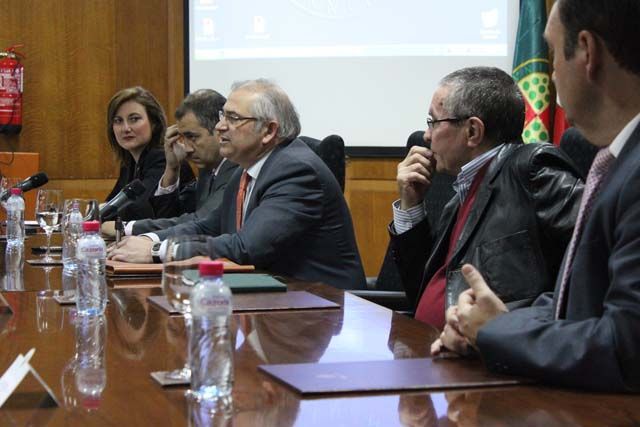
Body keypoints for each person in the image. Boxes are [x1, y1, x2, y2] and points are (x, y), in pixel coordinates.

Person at [433, 0, 640, 392]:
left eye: (551, 53)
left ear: (587, 52)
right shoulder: (618, 160)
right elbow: (574, 302)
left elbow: (627, 347)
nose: (550, 75)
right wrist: (488, 326)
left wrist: (497, 331)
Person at [108, 79, 366, 290]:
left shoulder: (296, 171)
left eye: (232, 118)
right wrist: (144, 238)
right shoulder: (246, 170)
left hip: (322, 307)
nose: (220, 126)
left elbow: (247, 247)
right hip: (273, 297)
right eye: (223, 116)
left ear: (268, 131)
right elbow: (205, 226)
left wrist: (156, 250)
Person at [389, 66, 584, 330]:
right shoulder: (460, 195)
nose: (426, 135)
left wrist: (508, 328)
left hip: (490, 360)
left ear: (472, 132)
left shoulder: (532, 170)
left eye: (432, 121)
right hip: (433, 348)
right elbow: (421, 289)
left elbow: (595, 261)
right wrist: (411, 206)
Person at [103, 89, 238, 235]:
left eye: (192, 137)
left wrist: (126, 228)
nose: (186, 148)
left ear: (220, 130)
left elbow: (200, 221)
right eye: (118, 121)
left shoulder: (236, 169)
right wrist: (172, 169)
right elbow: (172, 216)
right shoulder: (207, 171)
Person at [105, 86, 194, 221]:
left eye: (134, 119)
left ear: (154, 123)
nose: (126, 128)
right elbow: (109, 207)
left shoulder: (163, 158)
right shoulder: (129, 163)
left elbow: (139, 211)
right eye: (118, 121)